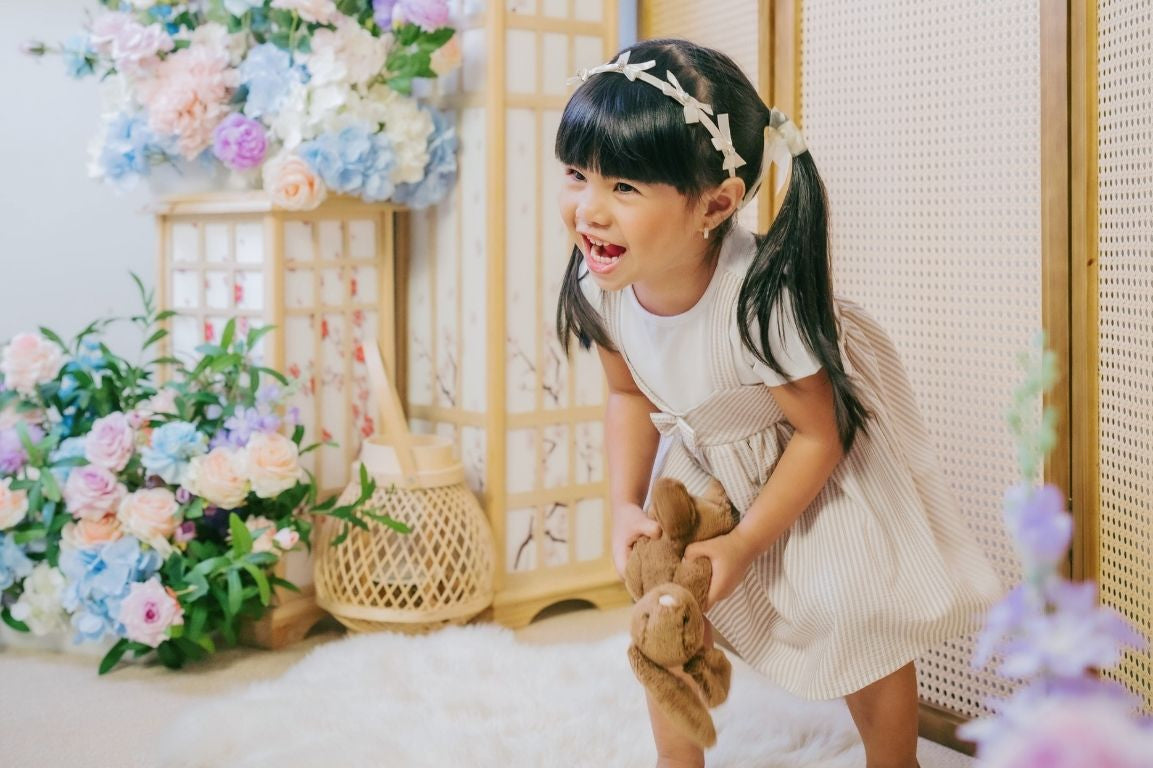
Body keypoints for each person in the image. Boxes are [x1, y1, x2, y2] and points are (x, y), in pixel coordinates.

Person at [554, 38, 1003, 768]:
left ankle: (896, 760)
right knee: (664, 602)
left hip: (805, 458)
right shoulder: (599, 284)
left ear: (716, 204)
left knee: (856, 615)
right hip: (708, 460)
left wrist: (744, 545)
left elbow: (820, 434)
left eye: (625, 187)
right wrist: (622, 504)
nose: (588, 210)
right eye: (577, 175)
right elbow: (626, 391)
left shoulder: (759, 301)